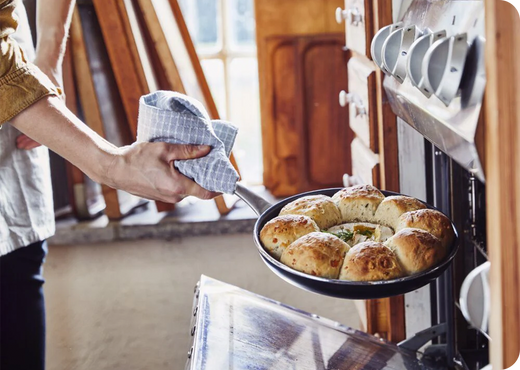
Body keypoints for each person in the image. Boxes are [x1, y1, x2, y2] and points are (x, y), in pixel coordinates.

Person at [0, 1, 218, 369]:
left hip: (18, 119)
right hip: (16, 84)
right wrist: (111, 166)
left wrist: (49, 57)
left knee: (15, 273)